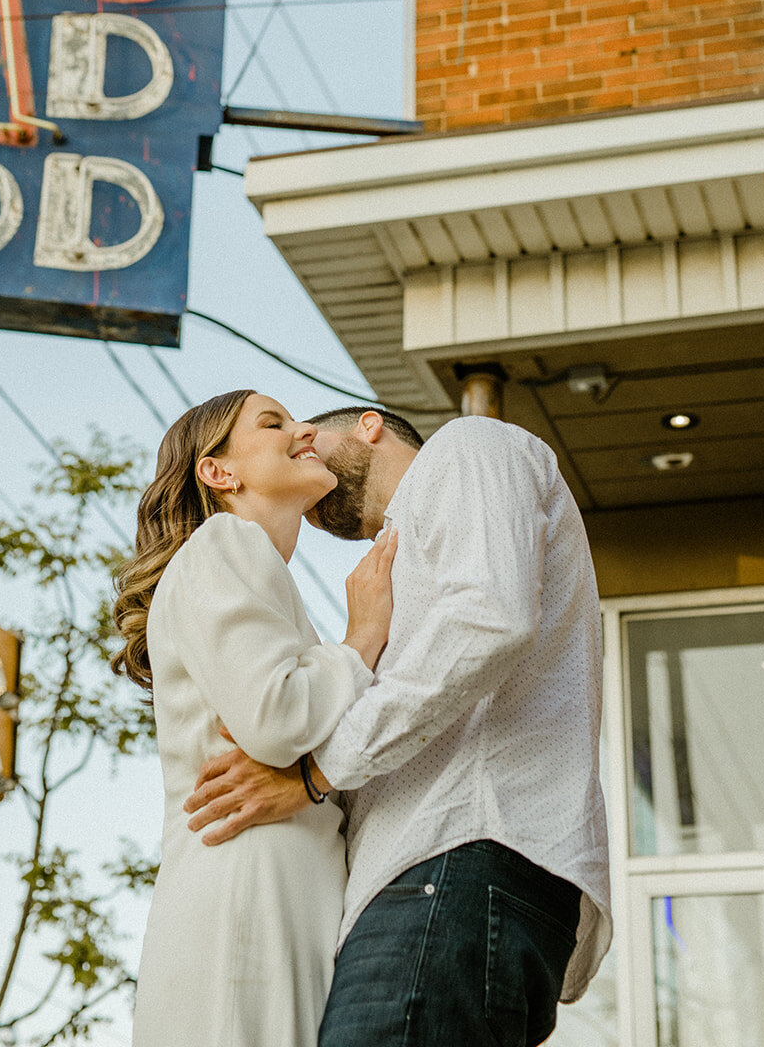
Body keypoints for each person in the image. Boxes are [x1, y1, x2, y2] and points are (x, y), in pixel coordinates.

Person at [185, 407, 612, 1047]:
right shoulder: (396, 568)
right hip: (432, 877)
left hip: (460, 854)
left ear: (368, 425)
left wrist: (313, 773)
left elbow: (488, 616)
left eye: (307, 436)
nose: (302, 449)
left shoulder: (468, 445)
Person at [112, 389, 398, 1047]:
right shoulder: (225, 542)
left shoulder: (251, 571)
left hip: (270, 896)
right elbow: (275, 717)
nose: (304, 430)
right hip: (245, 898)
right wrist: (359, 643)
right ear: (218, 471)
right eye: (274, 423)